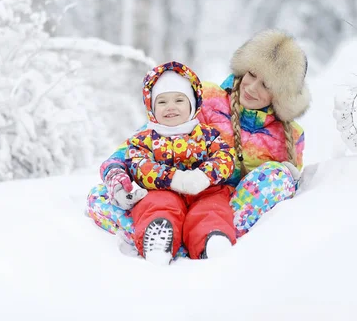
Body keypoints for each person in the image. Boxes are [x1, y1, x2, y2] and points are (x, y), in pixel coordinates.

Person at [86, 29, 311, 252]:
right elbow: (146, 140)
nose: (251, 87)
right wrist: (117, 174)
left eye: (266, 84)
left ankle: (212, 237)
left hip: (223, 204)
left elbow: (279, 193)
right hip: (171, 189)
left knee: (277, 176)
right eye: (252, 74)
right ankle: (164, 234)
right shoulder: (208, 98)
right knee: (100, 197)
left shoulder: (289, 136)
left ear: (281, 93)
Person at [122, 61, 236, 264]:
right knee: (157, 206)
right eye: (162, 102)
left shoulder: (208, 134)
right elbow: (138, 165)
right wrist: (172, 179)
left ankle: (211, 239)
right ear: (151, 108)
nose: (171, 107)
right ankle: (158, 240)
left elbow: (225, 158)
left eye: (179, 100)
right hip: (163, 190)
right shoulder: (144, 139)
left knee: (211, 210)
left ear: (193, 104)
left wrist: (204, 175)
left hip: (204, 191)